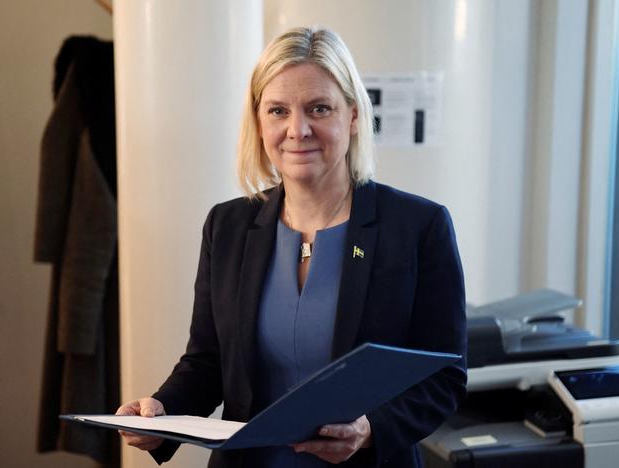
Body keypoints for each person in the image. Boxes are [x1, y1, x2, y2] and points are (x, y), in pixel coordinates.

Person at [117, 26, 466, 468]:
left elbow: (444, 377)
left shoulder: (418, 226)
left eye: (319, 108)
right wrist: (160, 413)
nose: (297, 129)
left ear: (354, 115)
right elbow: (207, 362)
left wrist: (371, 430)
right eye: (278, 110)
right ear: (259, 121)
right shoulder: (227, 225)